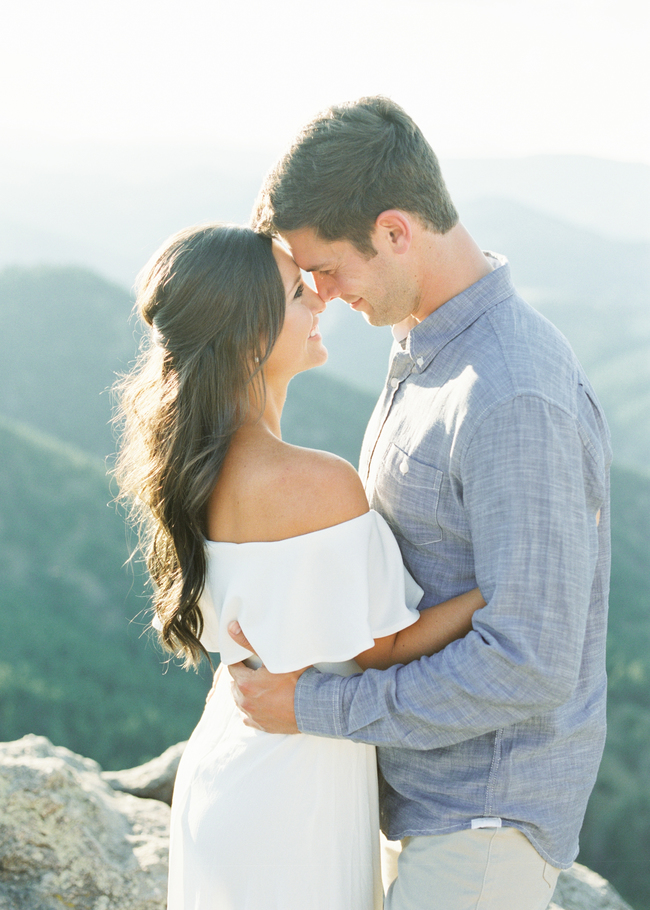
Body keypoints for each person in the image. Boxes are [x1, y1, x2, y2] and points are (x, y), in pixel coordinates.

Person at [227, 96, 612, 910]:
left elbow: (530, 661)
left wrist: (315, 706)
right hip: (425, 806)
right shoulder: (430, 348)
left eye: (326, 267)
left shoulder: (511, 392)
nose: (321, 294)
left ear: (396, 231)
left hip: (482, 825)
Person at [113, 222, 486, 909]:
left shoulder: (188, 468)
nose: (320, 301)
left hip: (234, 770)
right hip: (293, 795)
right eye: (296, 292)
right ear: (247, 333)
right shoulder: (315, 483)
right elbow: (384, 650)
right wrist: (498, 587)